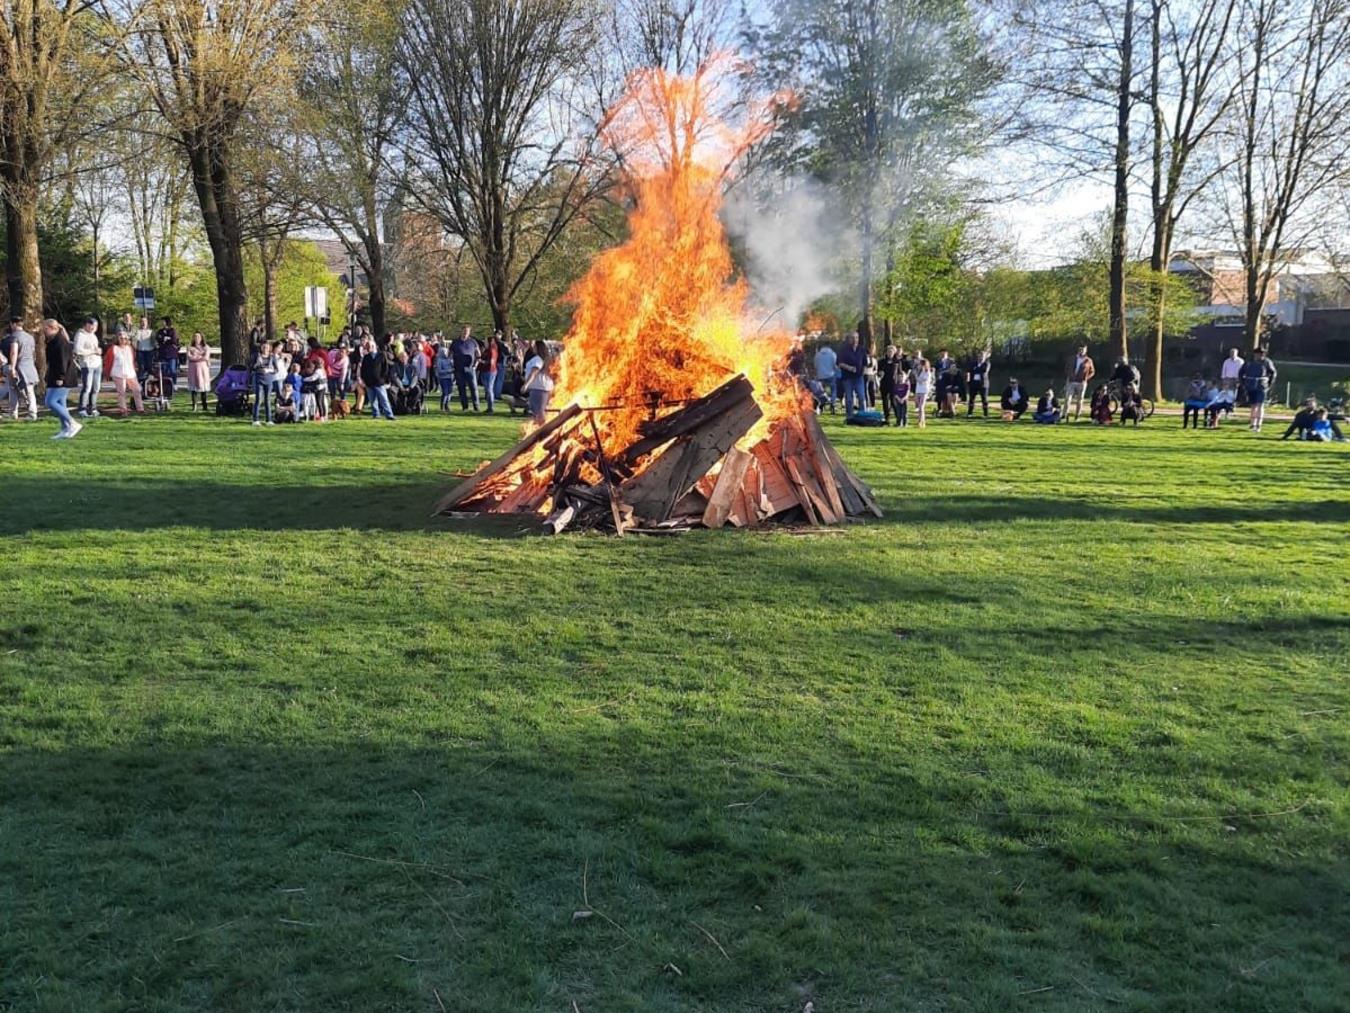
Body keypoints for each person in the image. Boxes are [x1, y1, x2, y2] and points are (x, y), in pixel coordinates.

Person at [42, 319, 81, 439]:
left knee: (50, 401)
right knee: (60, 403)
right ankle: (65, 428)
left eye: (45, 328)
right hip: (54, 375)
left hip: (62, 377)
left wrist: (61, 377)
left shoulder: (60, 342)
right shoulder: (53, 341)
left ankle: (72, 423)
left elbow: (63, 361)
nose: (44, 331)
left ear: (51, 328)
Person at [5, 318, 38, 421]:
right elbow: (33, 352)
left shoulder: (14, 337)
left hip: (19, 366)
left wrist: (13, 367)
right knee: (29, 390)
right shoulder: (30, 337)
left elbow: (14, 352)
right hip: (29, 365)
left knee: (14, 389)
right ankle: (31, 413)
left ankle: (18, 413)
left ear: (14, 324)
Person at [1239, 347, 1276, 431]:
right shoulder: (1249, 362)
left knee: (1260, 404)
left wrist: (1269, 383)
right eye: (1258, 354)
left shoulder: (1267, 362)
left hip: (1261, 385)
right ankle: (1252, 424)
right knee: (1253, 405)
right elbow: (1241, 372)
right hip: (1250, 385)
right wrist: (1243, 383)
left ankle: (1258, 424)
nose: (1260, 355)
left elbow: (1273, 372)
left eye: (1262, 354)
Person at [108, 331, 145, 415]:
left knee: (137, 390)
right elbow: (108, 360)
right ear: (117, 339)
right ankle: (123, 410)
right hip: (118, 372)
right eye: (121, 338)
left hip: (130, 372)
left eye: (125, 338)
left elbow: (132, 360)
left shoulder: (129, 348)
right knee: (122, 392)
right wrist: (108, 372)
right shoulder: (113, 348)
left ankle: (140, 408)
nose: (123, 340)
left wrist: (134, 368)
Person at [73, 317, 103, 418]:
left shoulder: (93, 335)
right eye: (91, 325)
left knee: (96, 388)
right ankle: (82, 409)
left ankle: (93, 408)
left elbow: (95, 349)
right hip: (87, 364)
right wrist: (93, 351)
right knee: (87, 387)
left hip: (97, 363)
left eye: (95, 326)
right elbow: (78, 350)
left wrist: (98, 351)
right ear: (86, 325)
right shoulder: (80, 335)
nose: (93, 328)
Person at [360, 337, 396, 420]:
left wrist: (382, 379)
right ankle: (376, 414)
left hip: (379, 382)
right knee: (372, 400)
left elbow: (385, 368)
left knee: (384, 399)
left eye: (370, 346)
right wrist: (365, 380)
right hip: (369, 382)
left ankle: (389, 415)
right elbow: (363, 370)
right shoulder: (366, 357)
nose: (369, 348)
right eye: (368, 346)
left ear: (374, 346)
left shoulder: (381, 355)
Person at [522, 339, 554, 424]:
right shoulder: (545, 359)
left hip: (538, 389)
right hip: (544, 388)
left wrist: (526, 385)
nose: (533, 348)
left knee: (538, 412)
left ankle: (542, 428)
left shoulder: (537, 359)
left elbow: (534, 372)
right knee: (540, 412)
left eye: (534, 346)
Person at [836, 332, 867, 418]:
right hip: (847, 377)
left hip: (859, 377)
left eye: (856, 338)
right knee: (849, 399)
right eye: (852, 338)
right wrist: (849, 368)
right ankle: (850, 416)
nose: (855, 340)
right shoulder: (843, 350)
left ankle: (863, 416)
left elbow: (865, 363)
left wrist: (863, 372)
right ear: (849, 339)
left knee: (861, 397)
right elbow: (839, 363)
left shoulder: (862, 349)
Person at [251, 341, 282, 426]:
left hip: (269, 380)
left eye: (267, 347)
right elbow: (252, 367)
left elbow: (276, 370)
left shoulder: (272, 357)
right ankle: (255, 419)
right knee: (258, 399)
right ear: (261, 348)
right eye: (263, 347)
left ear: (269, 348)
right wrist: (257, 365)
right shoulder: (257, 356)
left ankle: (269, 420)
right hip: (259, 379)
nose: (265, 349)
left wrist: (269, 370)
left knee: (267, 400)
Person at [451, 325, 480, 411]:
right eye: (464, 331)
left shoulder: (473, 342)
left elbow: (478, 354)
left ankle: (476, 406)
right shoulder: (455, 342)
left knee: (473, 387)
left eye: (467, 331)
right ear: (461, 331)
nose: (465, 333)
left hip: (470, 368)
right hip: (458, 369)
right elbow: (449, 354)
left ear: (469, 332)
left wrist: (475, 365)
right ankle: (465, 407)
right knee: (461, 388)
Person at [1064, 344, 1096, 420]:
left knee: (1080, 400)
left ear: (1086, 350)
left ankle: (1077, 415)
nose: (1081, 351)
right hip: (1071, 381)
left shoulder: (1088, 360)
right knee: (1068, 398)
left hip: (1081, 382)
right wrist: (1070, 375)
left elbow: (1092, 371)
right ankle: (1065, 414)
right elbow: (1066, 368)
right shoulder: (1072, 358)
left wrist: (1086, 378)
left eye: (1083, 349)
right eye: (1080, 349)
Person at [186, 332, 212, 411]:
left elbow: (206, 357)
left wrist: (196, 357)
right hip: (193, 369)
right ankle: (194, 405)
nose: (197, 338)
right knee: (194, 388)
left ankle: (204, 406)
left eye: (198, 337)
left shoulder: (206, 347)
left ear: (201, 338)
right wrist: (199, 356)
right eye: (195, 337)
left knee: (203, 387)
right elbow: (189, 357)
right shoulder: (190, 347)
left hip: (203, 369)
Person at [156, 316, 180, 402]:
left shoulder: (172, 330)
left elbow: (174, 340)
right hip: (162, 354)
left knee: (172, 370)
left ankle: (174, 383)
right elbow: (158, 339)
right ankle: (165, 388)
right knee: (164, 371)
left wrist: (166, 339)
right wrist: (165, 339)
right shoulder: (160, 331)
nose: (162, 323)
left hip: (171, 354)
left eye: (163, 321)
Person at [813, 341, 837, 413]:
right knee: (833, 390)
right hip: (830, 375)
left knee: (820, 392)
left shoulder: (817, 355)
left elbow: (815, 366)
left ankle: (821, 404)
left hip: (820, 376)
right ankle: (832, 403)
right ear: (829, 346)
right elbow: (835, 365)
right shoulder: (833, 354)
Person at [966, 349, 991, 417]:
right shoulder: (973, 363)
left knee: (984, 399)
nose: (981, 357)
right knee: (971, 398)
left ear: (984, 357)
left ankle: (985, 414)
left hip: (983, 384)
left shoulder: (987, 363)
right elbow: (969, 370)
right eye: (980, 356)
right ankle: (970, 413)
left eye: (982, 356)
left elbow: (984, 370)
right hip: (974, 383)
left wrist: (975, 369)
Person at [480, 331, 501, 413]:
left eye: (485, 341)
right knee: (487, 389)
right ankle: (489, 406)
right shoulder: (487, 350)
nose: (484, 342)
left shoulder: (492, 350)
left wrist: (482, 362)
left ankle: (491, 407)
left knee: (489, 388)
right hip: (485, 370)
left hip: (490, 371)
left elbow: (490, 361)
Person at [910, 357, 933, 428]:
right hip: (918, 390)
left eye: (920, 364)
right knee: (918, 406)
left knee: (921, 406)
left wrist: (916, 376)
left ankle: (920, 422)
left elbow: (922, 381)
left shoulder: (927, 373)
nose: (919, 366)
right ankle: (922, 421)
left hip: (924, 390)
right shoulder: (920, 372)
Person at [433, 341, 455, 411]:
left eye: (446, 352)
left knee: (450, 392)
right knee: (445, 392)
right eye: (444, 352)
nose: (446, 353)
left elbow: (453, 367)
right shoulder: (439, 360)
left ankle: (447, 405)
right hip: (443, 378)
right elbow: (439, 371)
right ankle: (442, 406)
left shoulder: (450, 360)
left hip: (450, 378)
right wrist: (449, 371)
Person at [134, 315, 155, 380]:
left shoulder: (151, 331)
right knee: (141, 367)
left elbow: (154, 342)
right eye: (142, 321)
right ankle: (141, 381)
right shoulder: (138, 331)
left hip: (149, 351)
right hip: (140, 351)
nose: (143, 323)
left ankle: (150, 380)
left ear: (147, 322)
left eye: (144, 321)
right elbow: (136, 341)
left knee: (149, 366)